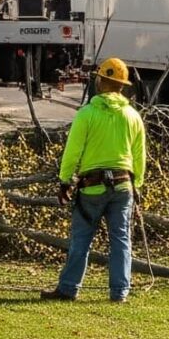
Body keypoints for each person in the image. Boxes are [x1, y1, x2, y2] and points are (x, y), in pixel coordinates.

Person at [41, 58, 148, 303]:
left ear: (100, 82)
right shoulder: (132, 116)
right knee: (121, 239)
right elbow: (139, 155)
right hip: (123, 186)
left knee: (81, 238)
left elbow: (73, 151)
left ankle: (68, 288)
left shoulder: (87, 114)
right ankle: (119, 292)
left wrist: (64, 181)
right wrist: (138, 185)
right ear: (122, 86)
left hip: (92, 186)